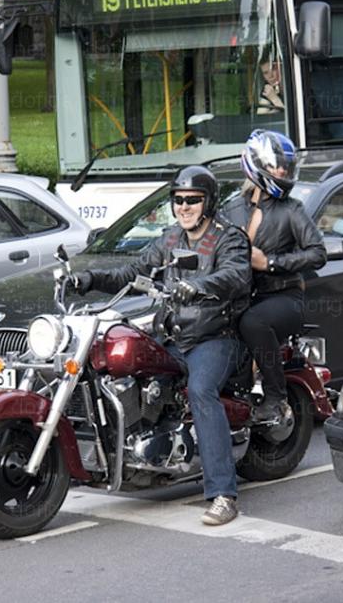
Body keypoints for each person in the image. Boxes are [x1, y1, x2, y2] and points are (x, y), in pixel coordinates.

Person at [75, 167, 252, 526]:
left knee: (201, 391)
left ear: (209, 202)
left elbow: (236, 275)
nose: (184, 207)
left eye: (192, 200)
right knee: (111, 363)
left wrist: (201, 285)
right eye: (178, 200)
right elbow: (132, 273)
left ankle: (223, 495)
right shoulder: (170, 240)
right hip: (172, 336)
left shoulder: (227, 238)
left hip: (215, 337)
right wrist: (89, 278)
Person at [224, 130, 327, 421]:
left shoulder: (291, 210)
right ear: (255, 164)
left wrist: (270, 262)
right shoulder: (231, 208)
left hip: (283, 296)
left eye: (285, 165)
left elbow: (318, 254)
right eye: (274, 165)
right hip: (242, 296)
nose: (282, 170)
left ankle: (276, 397)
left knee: (252, 322)